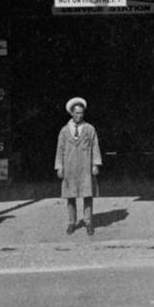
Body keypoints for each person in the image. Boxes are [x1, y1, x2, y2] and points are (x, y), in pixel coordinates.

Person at [55, 98, 102, 236]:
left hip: (85, 167)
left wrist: (95, 164)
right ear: (71, 113)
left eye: (81, 113)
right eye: (76, 113)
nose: (79, 116)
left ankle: (88, 222)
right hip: (69, 167)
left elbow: (95, 146)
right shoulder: (64, 131)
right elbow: (60, 149)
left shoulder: (89, 129)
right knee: (70, 196)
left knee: (87, 194)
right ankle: (72, 222)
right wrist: (59, 167)